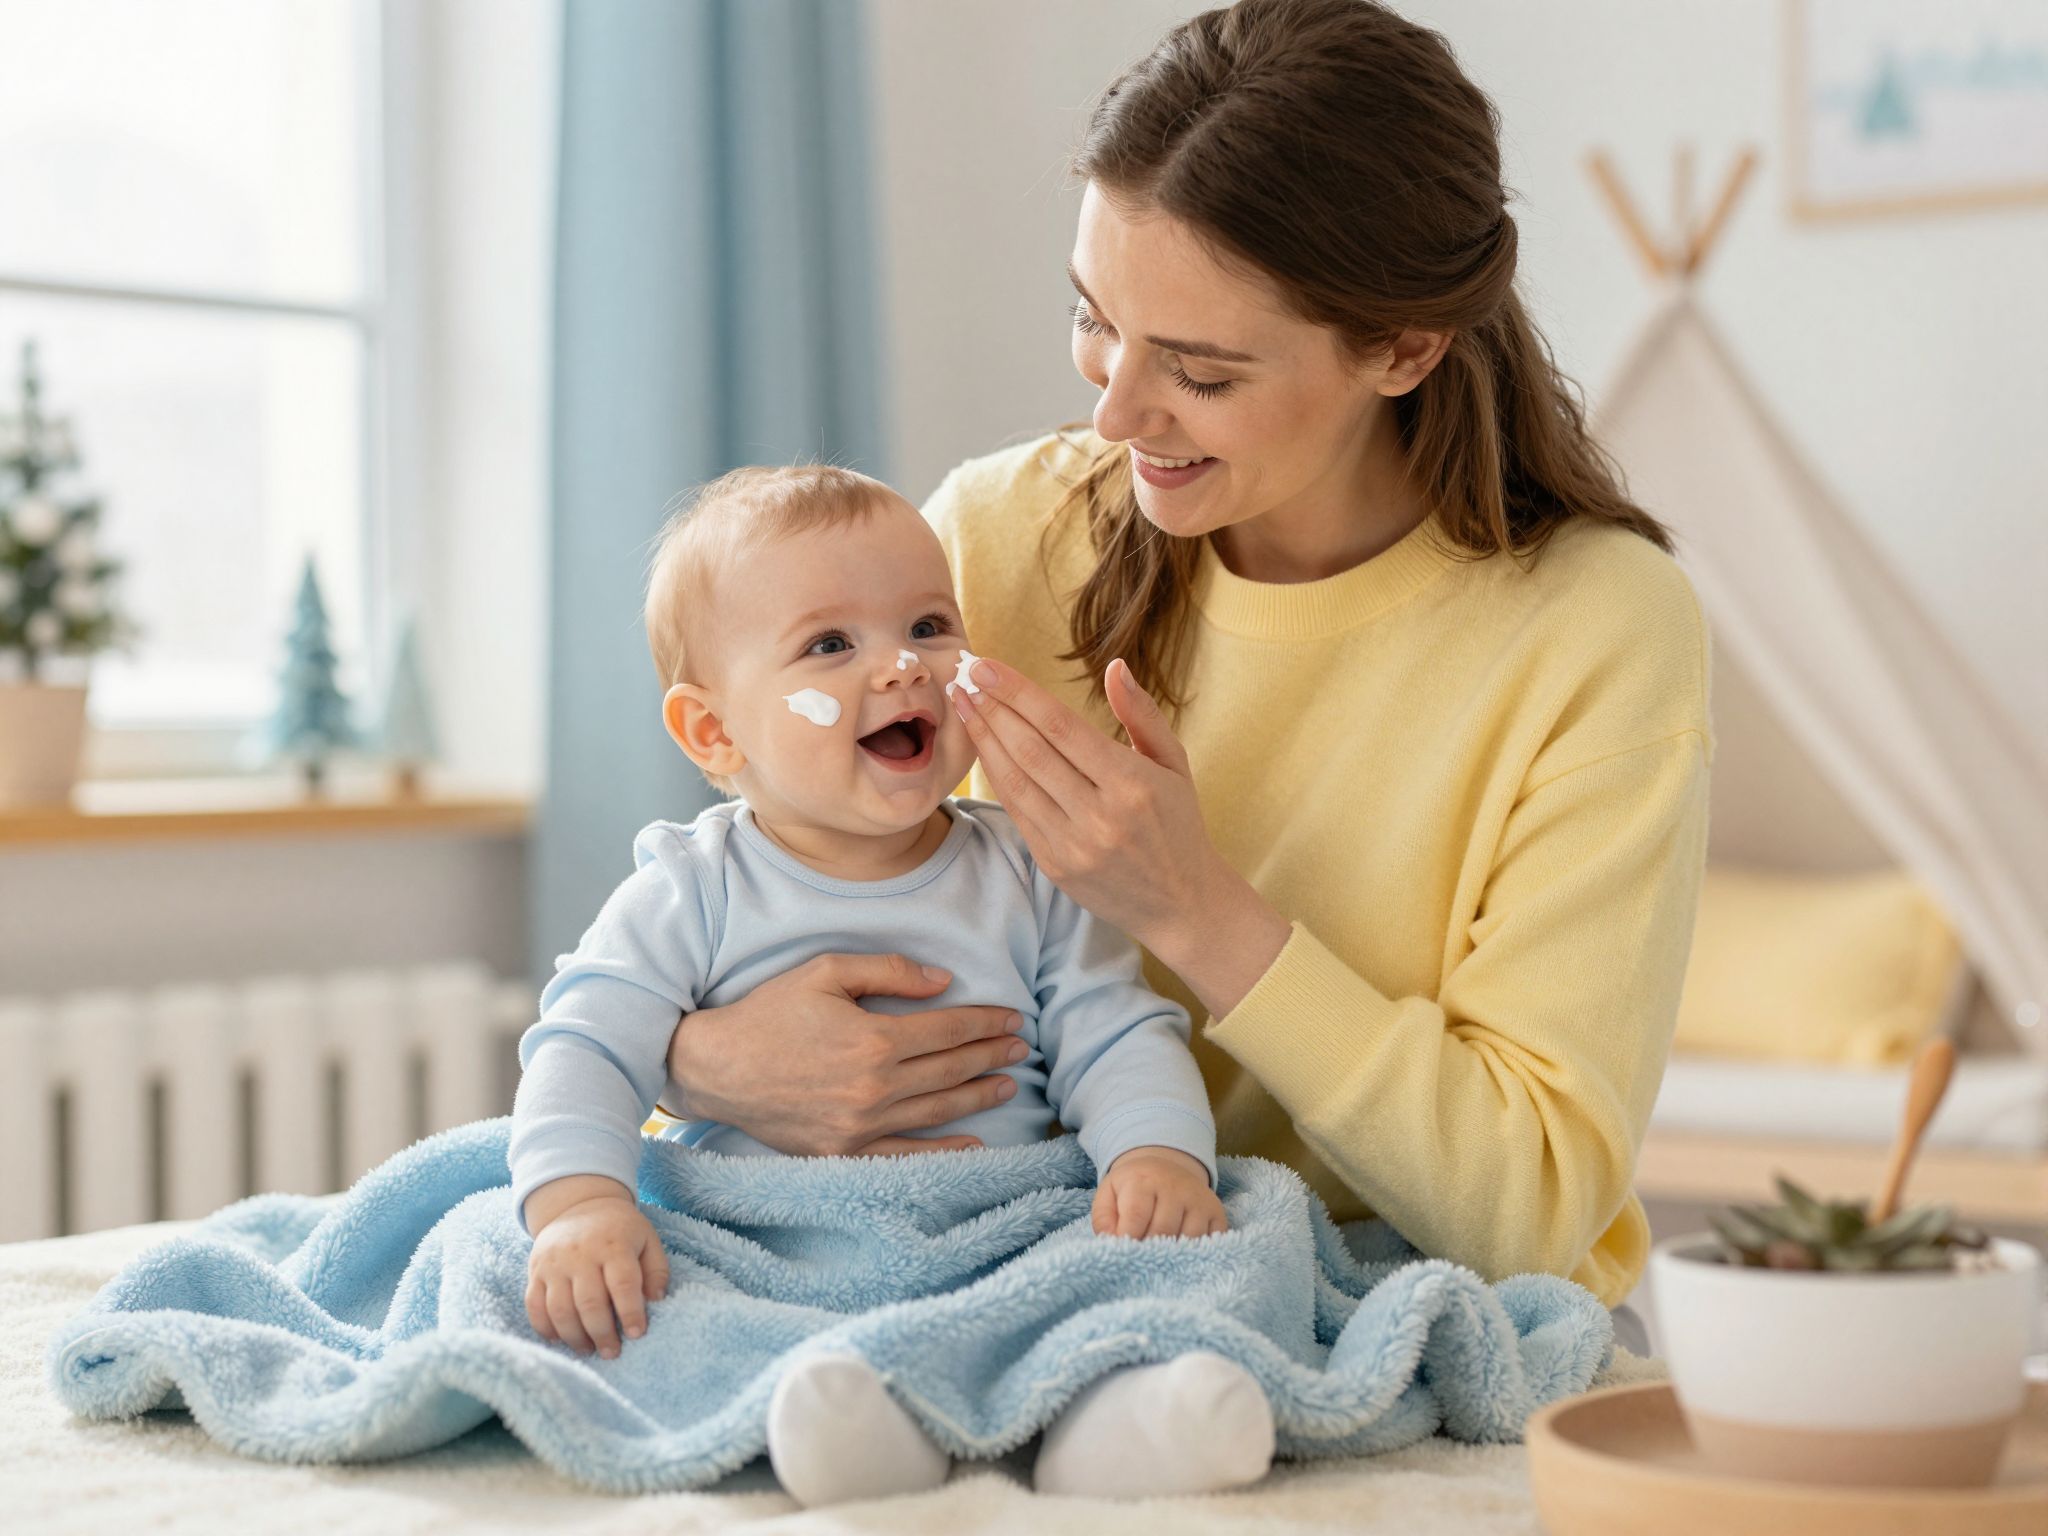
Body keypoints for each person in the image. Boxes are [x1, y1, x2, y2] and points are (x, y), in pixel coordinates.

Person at [660, 0, 1705, 1363]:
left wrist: (1194, 909)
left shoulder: (1596, 630)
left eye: (1200, 372)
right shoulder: (998, 539)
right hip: (1025, 1263)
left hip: (1376, 1296)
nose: (1113, 412)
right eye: (1095, 321)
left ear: (1403, 348)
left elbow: (1529, 1213)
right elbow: (732, 883)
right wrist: (706, 1061)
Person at [512, 463, 1274, 1505]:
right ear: (712, 731)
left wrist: (1154, 1157)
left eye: (927, 625)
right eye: (831, 645)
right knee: (582, 1280)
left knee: (1220, 1240)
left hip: (997, 1232)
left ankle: (1119, 1426)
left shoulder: (1025, 869)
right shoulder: (688, 891)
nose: (902, 668)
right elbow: (584, 1049)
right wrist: (580, 1209)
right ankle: (842, 1424)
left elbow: (1115, 1030)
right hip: (780, 1246)